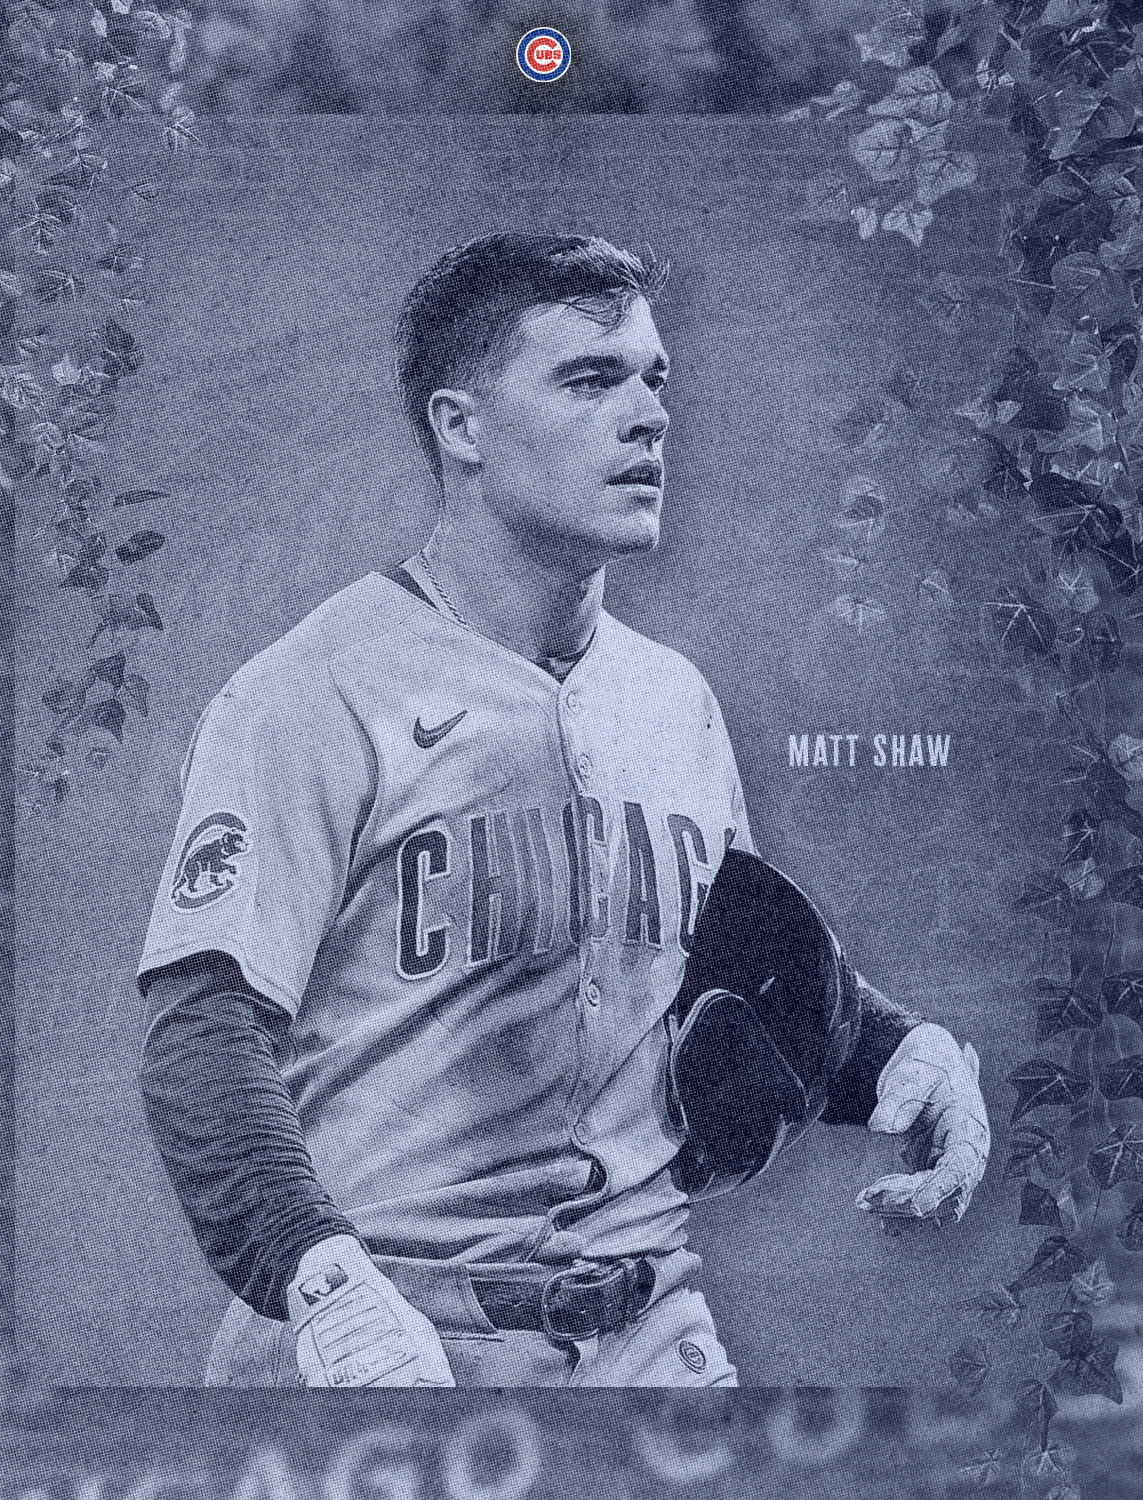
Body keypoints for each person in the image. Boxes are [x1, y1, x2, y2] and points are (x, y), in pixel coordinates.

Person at [136, 233, 990, 1389]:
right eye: (591, 380)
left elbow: (737, 984)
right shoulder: (310, 695)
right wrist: (317, 1278)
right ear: (462, 427)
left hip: (651, 1328)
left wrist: (899, 1050)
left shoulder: (675, 701)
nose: (649, 417)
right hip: (387, 1330)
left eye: (653, 380)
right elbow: (201, 1034)